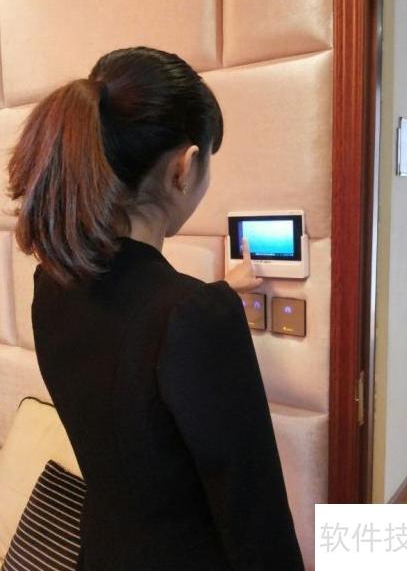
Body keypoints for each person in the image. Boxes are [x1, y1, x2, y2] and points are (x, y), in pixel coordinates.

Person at [6, 46, 305, 571]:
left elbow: (135, 350)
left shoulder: (51, 285)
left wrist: (220, 292)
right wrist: (212, 306)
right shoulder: (192, 318)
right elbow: (257, 519)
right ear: (183, 169)